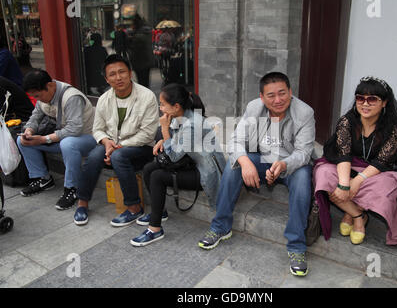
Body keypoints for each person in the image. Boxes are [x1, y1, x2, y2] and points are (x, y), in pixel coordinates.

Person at [198, 72, 316, 277]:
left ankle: (296, 247)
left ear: (290, 92)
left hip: (291, 164)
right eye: (271, 95)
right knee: (234, 164)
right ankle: (220, 226)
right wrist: (245, 162)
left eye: (282, 93)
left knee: (304, 178)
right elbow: (236, 141)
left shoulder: (304, 113)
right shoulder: (254, 108)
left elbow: (304, 153)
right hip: (262, 159)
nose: (277, 100)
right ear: (262, 97)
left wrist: (283, 164)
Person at [313, 76, 397, 246]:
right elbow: (343, 155)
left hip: (373, 172)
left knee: (388, 186)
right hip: (345, 166)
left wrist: (357, 181)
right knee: (323, 174)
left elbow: (382, 161)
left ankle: (349, 212)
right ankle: (358, 215)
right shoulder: (347, 121)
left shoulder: (391, 127)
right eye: (360, 98)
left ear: (384, 103)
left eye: (372, 99)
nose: (365, 104)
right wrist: (344, 184)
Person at [130, 83, 226, 247]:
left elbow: (173, 156)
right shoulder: (179, 116)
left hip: (205, 172)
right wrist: (163, 138)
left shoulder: (193, 123)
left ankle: (154, 229)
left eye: (162, 104)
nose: (161, 108)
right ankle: (159, 213)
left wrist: (164, 129)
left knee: (157, 176)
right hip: (190, 163)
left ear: (176, 106)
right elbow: (176, 142)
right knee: (148, 168)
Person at [73, 54, 159, 227]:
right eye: (112, 74)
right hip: (112, 145)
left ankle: (134, 207)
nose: (118, 77)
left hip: (142, 147)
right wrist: (105, 141)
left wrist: (118, 147)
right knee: (94, 156)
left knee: (119, 157)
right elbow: (97, 129)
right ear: (106, 78)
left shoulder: (146, 96)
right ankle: (82, 203)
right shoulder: (105, 99)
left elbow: (148, 134)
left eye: (122, 72)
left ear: (130, 73)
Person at [17, 69, 97, 210]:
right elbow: (35, 117)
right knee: (23, 141)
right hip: (62, 138)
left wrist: (43, 139)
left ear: (50, 85)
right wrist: (29, 131)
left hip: (88, 138)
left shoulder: (71, 97)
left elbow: (74, 129)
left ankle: (72, 188)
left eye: (38, 95)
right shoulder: (43, 96)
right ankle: (42, 179)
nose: (38, 99)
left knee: (68, 143)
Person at [128, 15, 153, 88]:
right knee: (145, 80)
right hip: (146, 60)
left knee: (141, 81)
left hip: (139, 61)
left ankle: (144, 96)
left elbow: (133, 48)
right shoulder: (146, 32)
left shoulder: (138, 35)